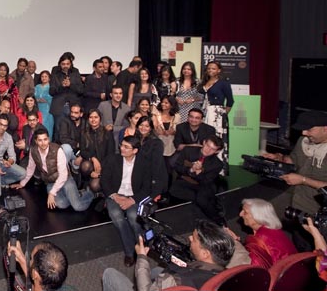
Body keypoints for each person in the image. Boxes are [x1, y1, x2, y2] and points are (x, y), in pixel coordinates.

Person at [102, 220, 246, 291]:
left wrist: (141, 257)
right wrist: (233, 239)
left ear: (205, 253)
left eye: (194, 239)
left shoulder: (174, 280)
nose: (189, 238)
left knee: (110, 274)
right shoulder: (235, 271)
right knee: (157, 271)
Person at [262, 111, 327, 250]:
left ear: (325, 128)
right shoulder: (304, 141)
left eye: (309, 129)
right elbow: (294, 161)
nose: (304, 133)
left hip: (320, 214)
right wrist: (279, 158)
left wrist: (303, 180)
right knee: (301, 248)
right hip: (299, 207)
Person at [13, 128, 93, 211]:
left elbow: (63, 175)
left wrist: (52, 193)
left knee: (78, 206)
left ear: (49, 139)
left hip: (65, 180)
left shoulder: (57, 150)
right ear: (36, 141)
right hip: (51, 182)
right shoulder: (33, 151)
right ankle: (75, 195)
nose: (43, 143)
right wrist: (22, 183)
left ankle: (90, 193)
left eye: (45, 139)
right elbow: (30, 168)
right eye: (40, 140)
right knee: (61, 204)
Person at [101, 135, 150, 267]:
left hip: (133, 197)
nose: (121, 148)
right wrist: (115, 196)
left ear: (135, 150)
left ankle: (141, 248)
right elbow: (104, 181)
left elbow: (147, 187)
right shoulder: (113, 159)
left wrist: (132, 200)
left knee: (134, 218)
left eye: (126, 147)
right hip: (115, 195)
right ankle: (130, 252)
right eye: (121, 145)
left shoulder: (143, 162)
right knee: (117, 217)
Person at [224, 198, 297, 268]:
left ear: (257, 216)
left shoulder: (260, 238)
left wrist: (234, 243)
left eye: (245, 212)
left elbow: (253, 269)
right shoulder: (275, 231)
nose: (240, 214)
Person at [171, 135, 226, 225]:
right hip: (185, 181)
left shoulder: (217, 164)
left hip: (202, 184)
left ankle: (219, 221)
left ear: (217, 151)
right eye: (208, 146)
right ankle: (211, 210)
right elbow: (177, 167)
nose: (208, 150)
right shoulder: (188, 151)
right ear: (204, 142)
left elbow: (206, 181)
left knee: (202, 198)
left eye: (212, 149)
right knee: (174, 190)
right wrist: (191, 170)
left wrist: (198, 172)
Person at [200, 61, 234, 174]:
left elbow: (230, 101)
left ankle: (219, 170)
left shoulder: (223, 83)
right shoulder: (204, 82)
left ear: (219, 70)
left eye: (213, 69)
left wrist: (222, 114)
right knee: (207, 139)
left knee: (218, 141)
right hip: (205, 113)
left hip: (217, 115)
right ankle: (204, 167)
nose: (210, 70)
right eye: (209, 68)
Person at [0, 114, 27, 199]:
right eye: (0, 124)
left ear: (7, 127)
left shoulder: (8, 137)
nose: (2, 127)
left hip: (1, 162)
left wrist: (9, 162)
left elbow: (12, 156)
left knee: (23, 174)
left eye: (5, 126)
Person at [76, 109, 115, 193]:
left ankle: (96, 189)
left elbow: (111, 154)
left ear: (100, 118)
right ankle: (86, 182)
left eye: (96, 117)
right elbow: (83, 151)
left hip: (104, 165)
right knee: (85, 166)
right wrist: (93, 158)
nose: (93, 120)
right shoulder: (83, 132)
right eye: (91, 117)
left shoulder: (107, 133)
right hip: (90, 164)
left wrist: (100, 170)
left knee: (95, 185)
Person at [135, 116, 168, 199]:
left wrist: (153, 182)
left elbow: (156, 165)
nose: (143, 128)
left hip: (153, 177)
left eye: (147, 126)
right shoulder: (134, 140)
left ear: (150, 128)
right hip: (139, 175)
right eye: (141, 125)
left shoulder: (157, 143)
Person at [49, 52, 83, 123]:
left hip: (73, 107)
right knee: (59, 131)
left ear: (71, 64)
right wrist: (62, 86)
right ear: (60, 64)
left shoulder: (75, 74)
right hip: (59, 108)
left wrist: (70, 85)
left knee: (72, 131)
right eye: (63, 64)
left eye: (67, 64)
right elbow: (51, 92)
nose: (65, 66)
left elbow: (81, 90)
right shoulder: (55, 75)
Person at [98, 85, 131, 150]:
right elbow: (97, 119)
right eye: (116, 93)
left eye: (120, 93)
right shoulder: (102, 105)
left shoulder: (126, 108)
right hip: (103, 137)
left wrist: (114, 128)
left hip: (118, 139)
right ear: (111, 94)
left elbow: (127, 126)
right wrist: (104, 127)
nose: (118, 95)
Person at [152, 96, 179, 174]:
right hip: (157, 146)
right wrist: (159, 131)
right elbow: (153, 130)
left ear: (172, 105)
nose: (163, 104)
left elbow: (178, 131)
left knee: (168, 171)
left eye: (166, 103)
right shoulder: (156, 115)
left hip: (171, 148)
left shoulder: (176, 116)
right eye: (162, 102)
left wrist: (172, 132)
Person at [35, 70, 54, 139]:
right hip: (38, 109)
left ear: (49, 78)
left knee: (47, 127)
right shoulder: (37, 87)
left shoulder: (51, 87)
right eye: (42, 76)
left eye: (46, 76)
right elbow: (34, 97)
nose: (44, 78)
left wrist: (46, 100)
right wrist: (38, 100)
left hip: (48, 110)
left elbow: (52, 98)